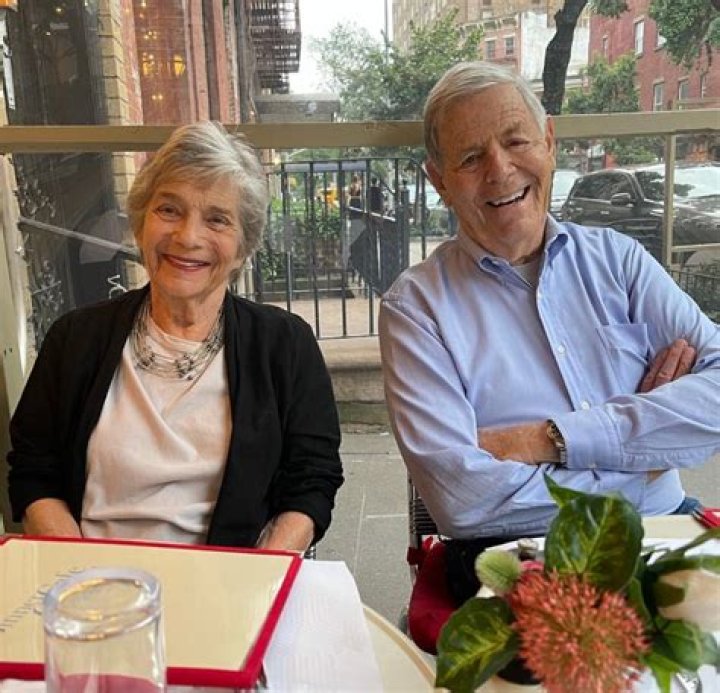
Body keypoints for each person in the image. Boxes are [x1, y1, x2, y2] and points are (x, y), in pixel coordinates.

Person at [378, 62, 720, 604]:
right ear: (439, 181)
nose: (500, 170)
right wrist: (645, 457)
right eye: (470, 158)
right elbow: (463, 500)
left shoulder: (620, 261)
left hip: (664, 529)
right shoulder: (416, 309)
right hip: (521, 558)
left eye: (517, 141)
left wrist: (552, 439)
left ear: (550, 143)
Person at [7, 121, 343, 553]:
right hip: (92, 578)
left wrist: (260, 572)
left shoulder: (285, 344)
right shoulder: (74, 338)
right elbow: (34, 471)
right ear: (140, 223)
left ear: (243, 246)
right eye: (169, 210)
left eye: (217, 219)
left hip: (230, 576)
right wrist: (80, 567)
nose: (187, 237)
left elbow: (312, 481)